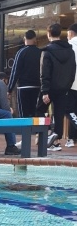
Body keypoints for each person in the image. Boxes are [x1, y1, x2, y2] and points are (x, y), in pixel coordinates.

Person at [36, 23, 76, 151]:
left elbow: (45, 72)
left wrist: (45, 91)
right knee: (59, 114)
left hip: (50, 88)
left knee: (39, 110)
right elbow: (72, 70)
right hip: (64, 88)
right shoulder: (70, 50)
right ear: (60, 34)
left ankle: (44, 136)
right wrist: (67, 85)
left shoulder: (47, 51)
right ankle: (56, 141)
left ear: (48, 35)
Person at [7, 30, 41, 118]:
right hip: (37, 86)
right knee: (34, 111)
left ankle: (26, 131)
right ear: (35, 39)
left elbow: (15, 71)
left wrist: (9, 89)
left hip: (23, 87)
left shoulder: (21, 52)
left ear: (24, 39)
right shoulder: (40, 52)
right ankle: (35, 131)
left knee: (24, 113)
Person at [65, 23, 77, 148]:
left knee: (68, 110)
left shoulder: (69, 46)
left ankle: (71, 138)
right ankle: (72, 138)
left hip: (71, 83)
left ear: (71, 33)